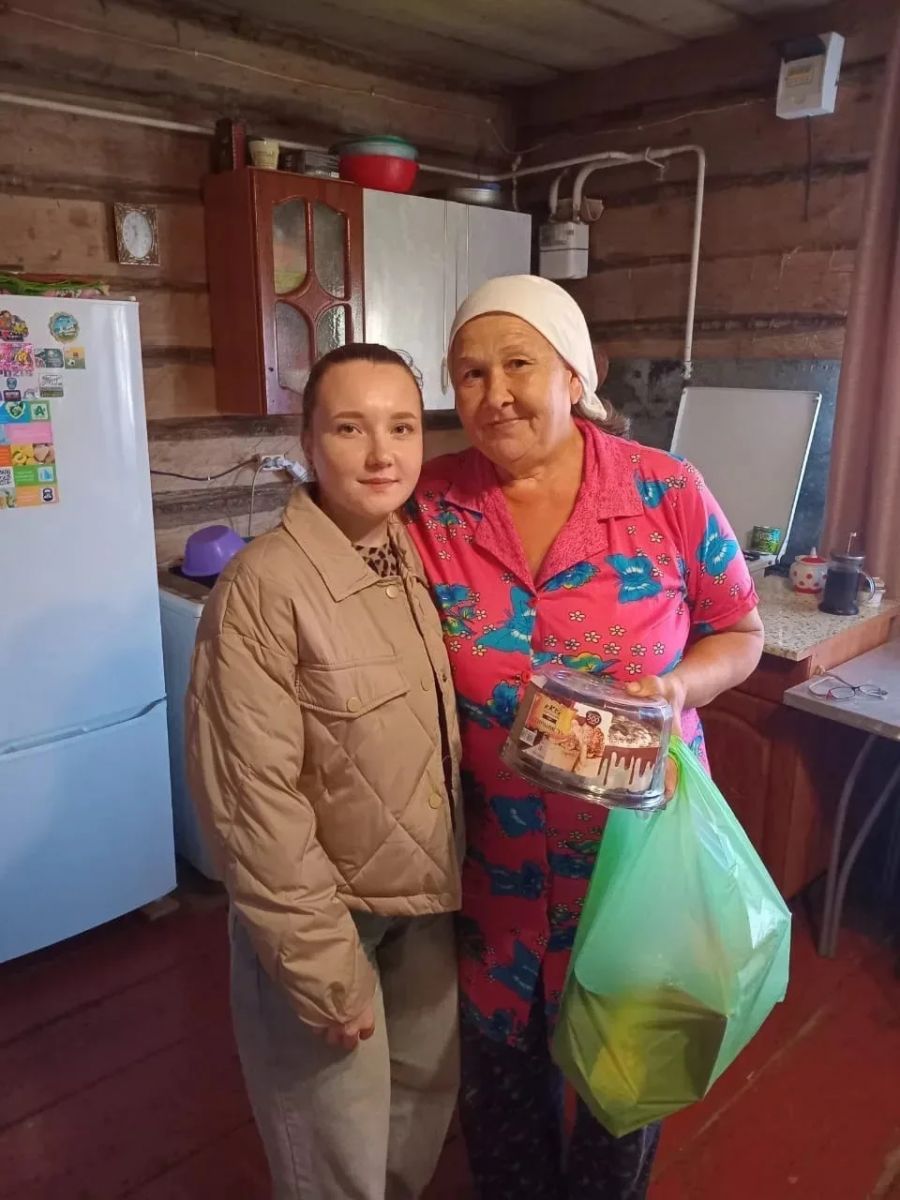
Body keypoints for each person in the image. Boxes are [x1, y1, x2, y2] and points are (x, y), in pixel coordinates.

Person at [406, 275, 765, 1200]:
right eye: (470, 373)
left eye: (518, 365)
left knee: (620, 1104)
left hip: (632, 873)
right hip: (489, 876)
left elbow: (741, 630)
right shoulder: (431, 503)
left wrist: (675, 688)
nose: (495, 394)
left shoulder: (665, 492)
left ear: (575, 375)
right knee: (502, 1113)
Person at [186, 343, 463, 1200]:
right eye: (350, 428)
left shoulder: (417, 559)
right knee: (334, 1157)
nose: (382, 453)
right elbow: (252, 805)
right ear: (307, 443)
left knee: (415, 1114)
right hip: (328, 922)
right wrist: (321, 968)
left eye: (402, 428)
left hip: (426, 905)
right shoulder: (263, 589)